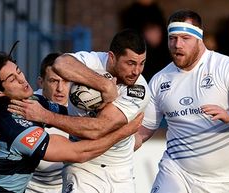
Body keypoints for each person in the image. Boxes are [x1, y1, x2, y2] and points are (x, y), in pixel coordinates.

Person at [0, 46, 143, 193]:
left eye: (19, 72)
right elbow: (79, 153)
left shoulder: (32, 101)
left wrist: (109, 112)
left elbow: (67, 116)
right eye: (12, 80)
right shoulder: (14, 125)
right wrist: (123, 130)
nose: (22, 80)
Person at [134, 9, 229, 193]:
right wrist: (111, 146)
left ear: (199, 38)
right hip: (175, 171)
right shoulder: (160, 80)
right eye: (172, 38)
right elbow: (144, 130)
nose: (177, 45)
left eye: (185, 38)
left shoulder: (226, 68)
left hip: (218, 182)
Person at [9, 29, 149, 192]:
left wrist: (45, 116)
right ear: (111, 57)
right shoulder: (94, 60)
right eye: (130, 63)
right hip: (84, 169)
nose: (137, 71)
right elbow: (60, 64)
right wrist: (104, 85)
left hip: (121, 171)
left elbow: (97, 129)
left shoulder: (139, 89)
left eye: (142, 63)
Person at [26, 52, 71, 193]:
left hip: (69, 186)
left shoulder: (84, 106)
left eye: (66, 81)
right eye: (53, 81)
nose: (60, 88)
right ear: (41, 82)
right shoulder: (26, 106)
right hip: (28, 188)